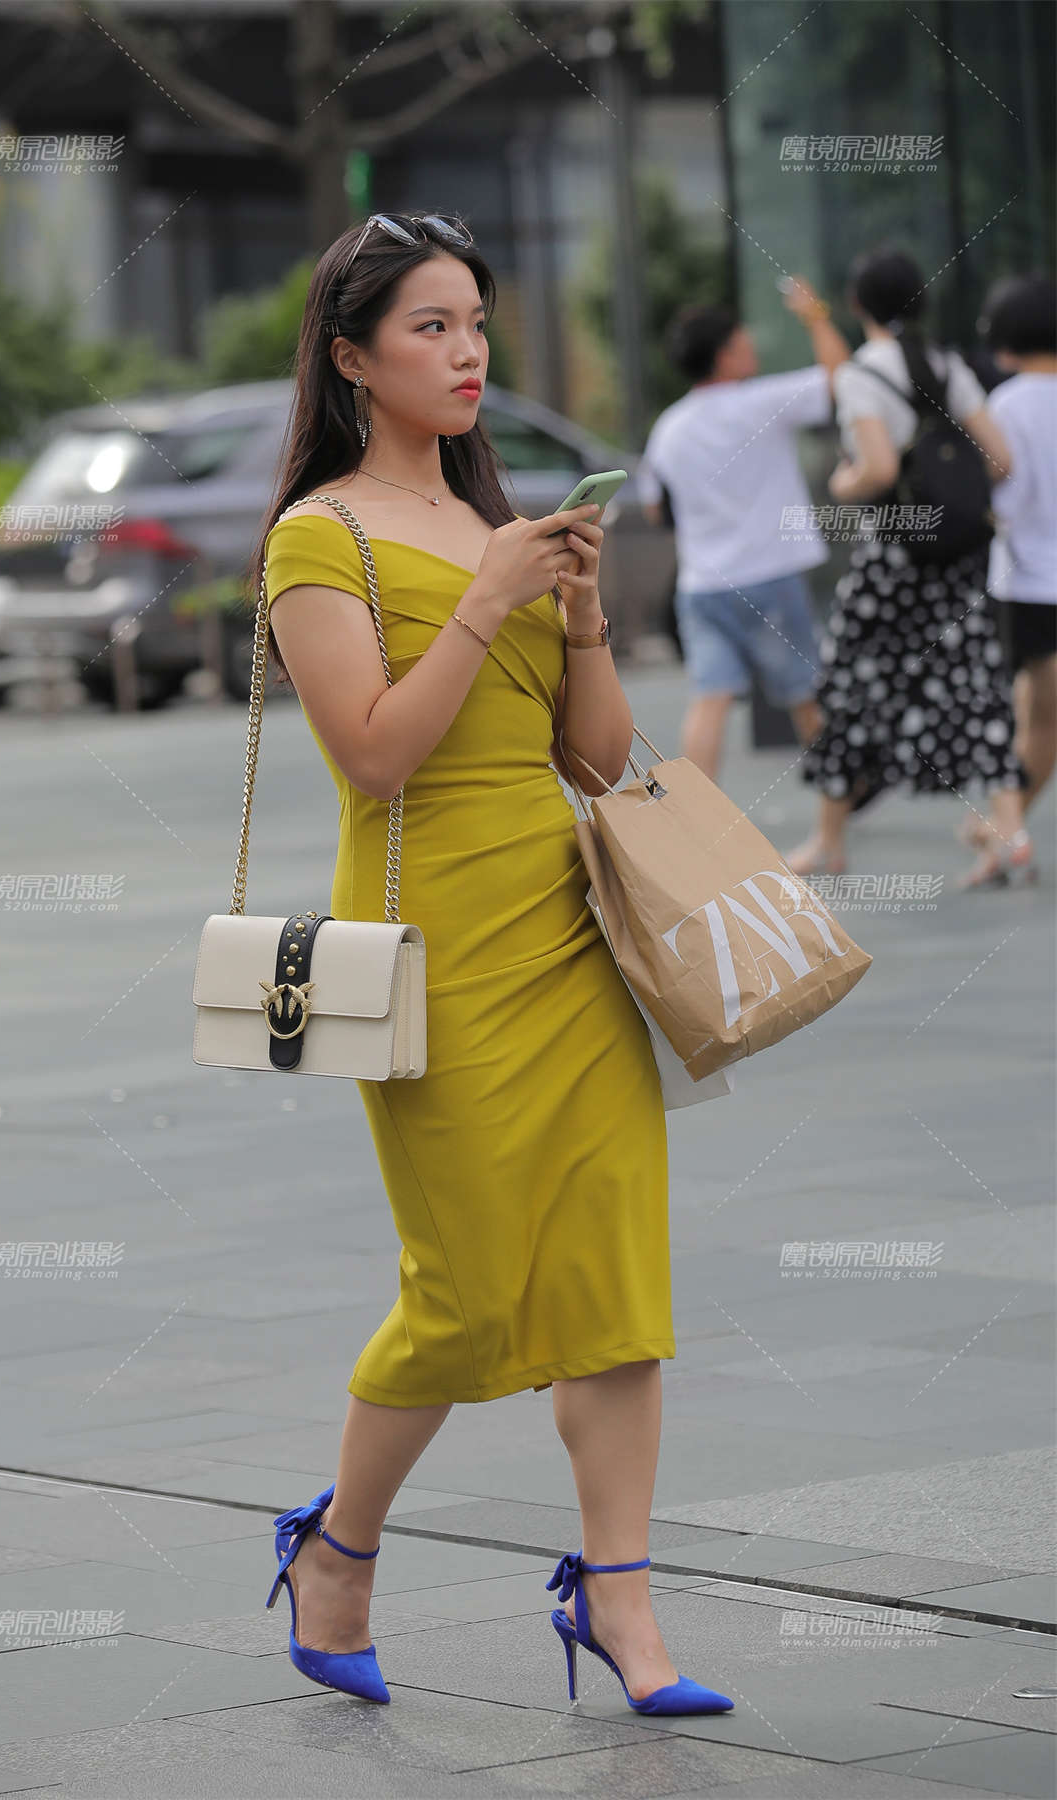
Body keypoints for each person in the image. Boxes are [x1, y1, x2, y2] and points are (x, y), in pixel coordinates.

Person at [250, 212, 733, 1718]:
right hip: (428, 949)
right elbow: (376, 760)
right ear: (349, 360)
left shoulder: (503, 523)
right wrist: (484, 603)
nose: (467, 356)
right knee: (461, 1294)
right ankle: (338, 1545)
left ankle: (624, 1607)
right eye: (430, 331)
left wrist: (581, 614)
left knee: (611, 1272)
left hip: (568, 929)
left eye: (476, 325)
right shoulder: (315, 536)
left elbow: (593, 759)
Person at [787, 245, 1033, 889]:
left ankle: (829, 841)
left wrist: (841, 483)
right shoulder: (949, 363)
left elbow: (877, 470)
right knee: (975, 680)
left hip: (895, 557)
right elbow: (1000, 458)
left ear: (857, 306)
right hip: (960, 556)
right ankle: (1011, 832)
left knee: (849, 683)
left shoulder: (864, 374)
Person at [634, 277, 851, 781]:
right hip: (771, 576)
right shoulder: (761, 402)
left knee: (709, 700)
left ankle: (700, 822)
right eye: (741, 340)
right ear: (725, 355)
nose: (749, 345)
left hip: (703, 585)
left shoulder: (669, 427)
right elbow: (841, 377)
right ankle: (835, 808)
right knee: (804, 697)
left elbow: (653, 509)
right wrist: (816, 317)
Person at [959, 274, 1056, 853]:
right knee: (1041, 715)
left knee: (1028, 710)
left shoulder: (1006, 404)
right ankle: (1002, 825)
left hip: (1024, 580)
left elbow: (996, 497)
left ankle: (1000, 827)